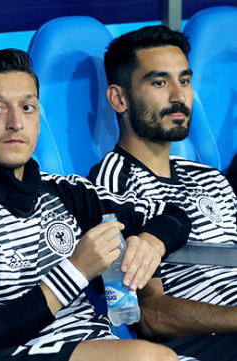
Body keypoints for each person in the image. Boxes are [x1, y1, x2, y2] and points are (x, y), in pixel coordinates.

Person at [0, 48, 195, 361]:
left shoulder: (64, 191)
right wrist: (76, 270)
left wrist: (151, 242)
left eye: (27, 107)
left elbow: (172, 213)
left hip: (100, 344)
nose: (16, 123)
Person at [88, 25, 237, 361]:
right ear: (119, 98)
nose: (178, 96)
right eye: (159, 82)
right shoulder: (110, 187)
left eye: (184, 80)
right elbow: (148, 314)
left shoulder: (211, 177)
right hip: (199, 343)